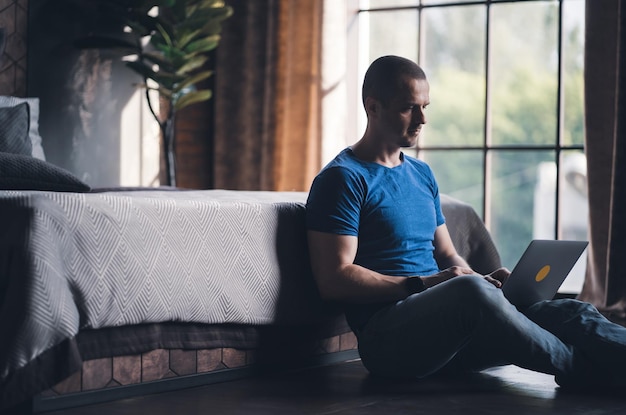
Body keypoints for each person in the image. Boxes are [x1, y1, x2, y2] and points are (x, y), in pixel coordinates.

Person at [305, 55, 626, 390]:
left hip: (451, 333)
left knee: (570, 312)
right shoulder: (342, 179)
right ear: (373, 107)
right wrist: (431, 284)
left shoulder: (421, 173)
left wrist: (485, 281)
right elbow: (334, 279)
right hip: (388, 342)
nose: (422, 119)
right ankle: (583, 370)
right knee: (469, 290)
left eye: (425, 106)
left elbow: (448, 256)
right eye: (409, 107)